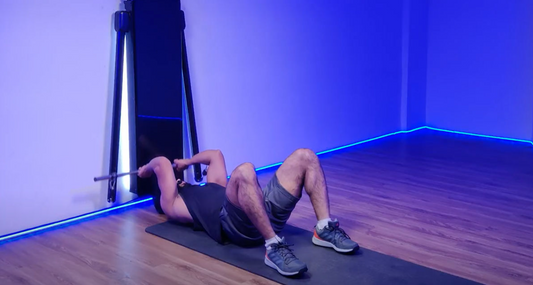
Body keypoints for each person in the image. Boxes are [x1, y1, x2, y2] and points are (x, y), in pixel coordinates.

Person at [138, 149, 359, 276]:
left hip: (260, 211)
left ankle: (323, 227)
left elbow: (215, 155)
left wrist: (188, 161)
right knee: (244, 171)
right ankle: (273, 246)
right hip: (237, 227)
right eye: (174, 181)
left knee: (305, 156)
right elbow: (162, 163)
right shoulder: (173, 204)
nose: (178, 180)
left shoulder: (211, 187)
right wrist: (146, 169)